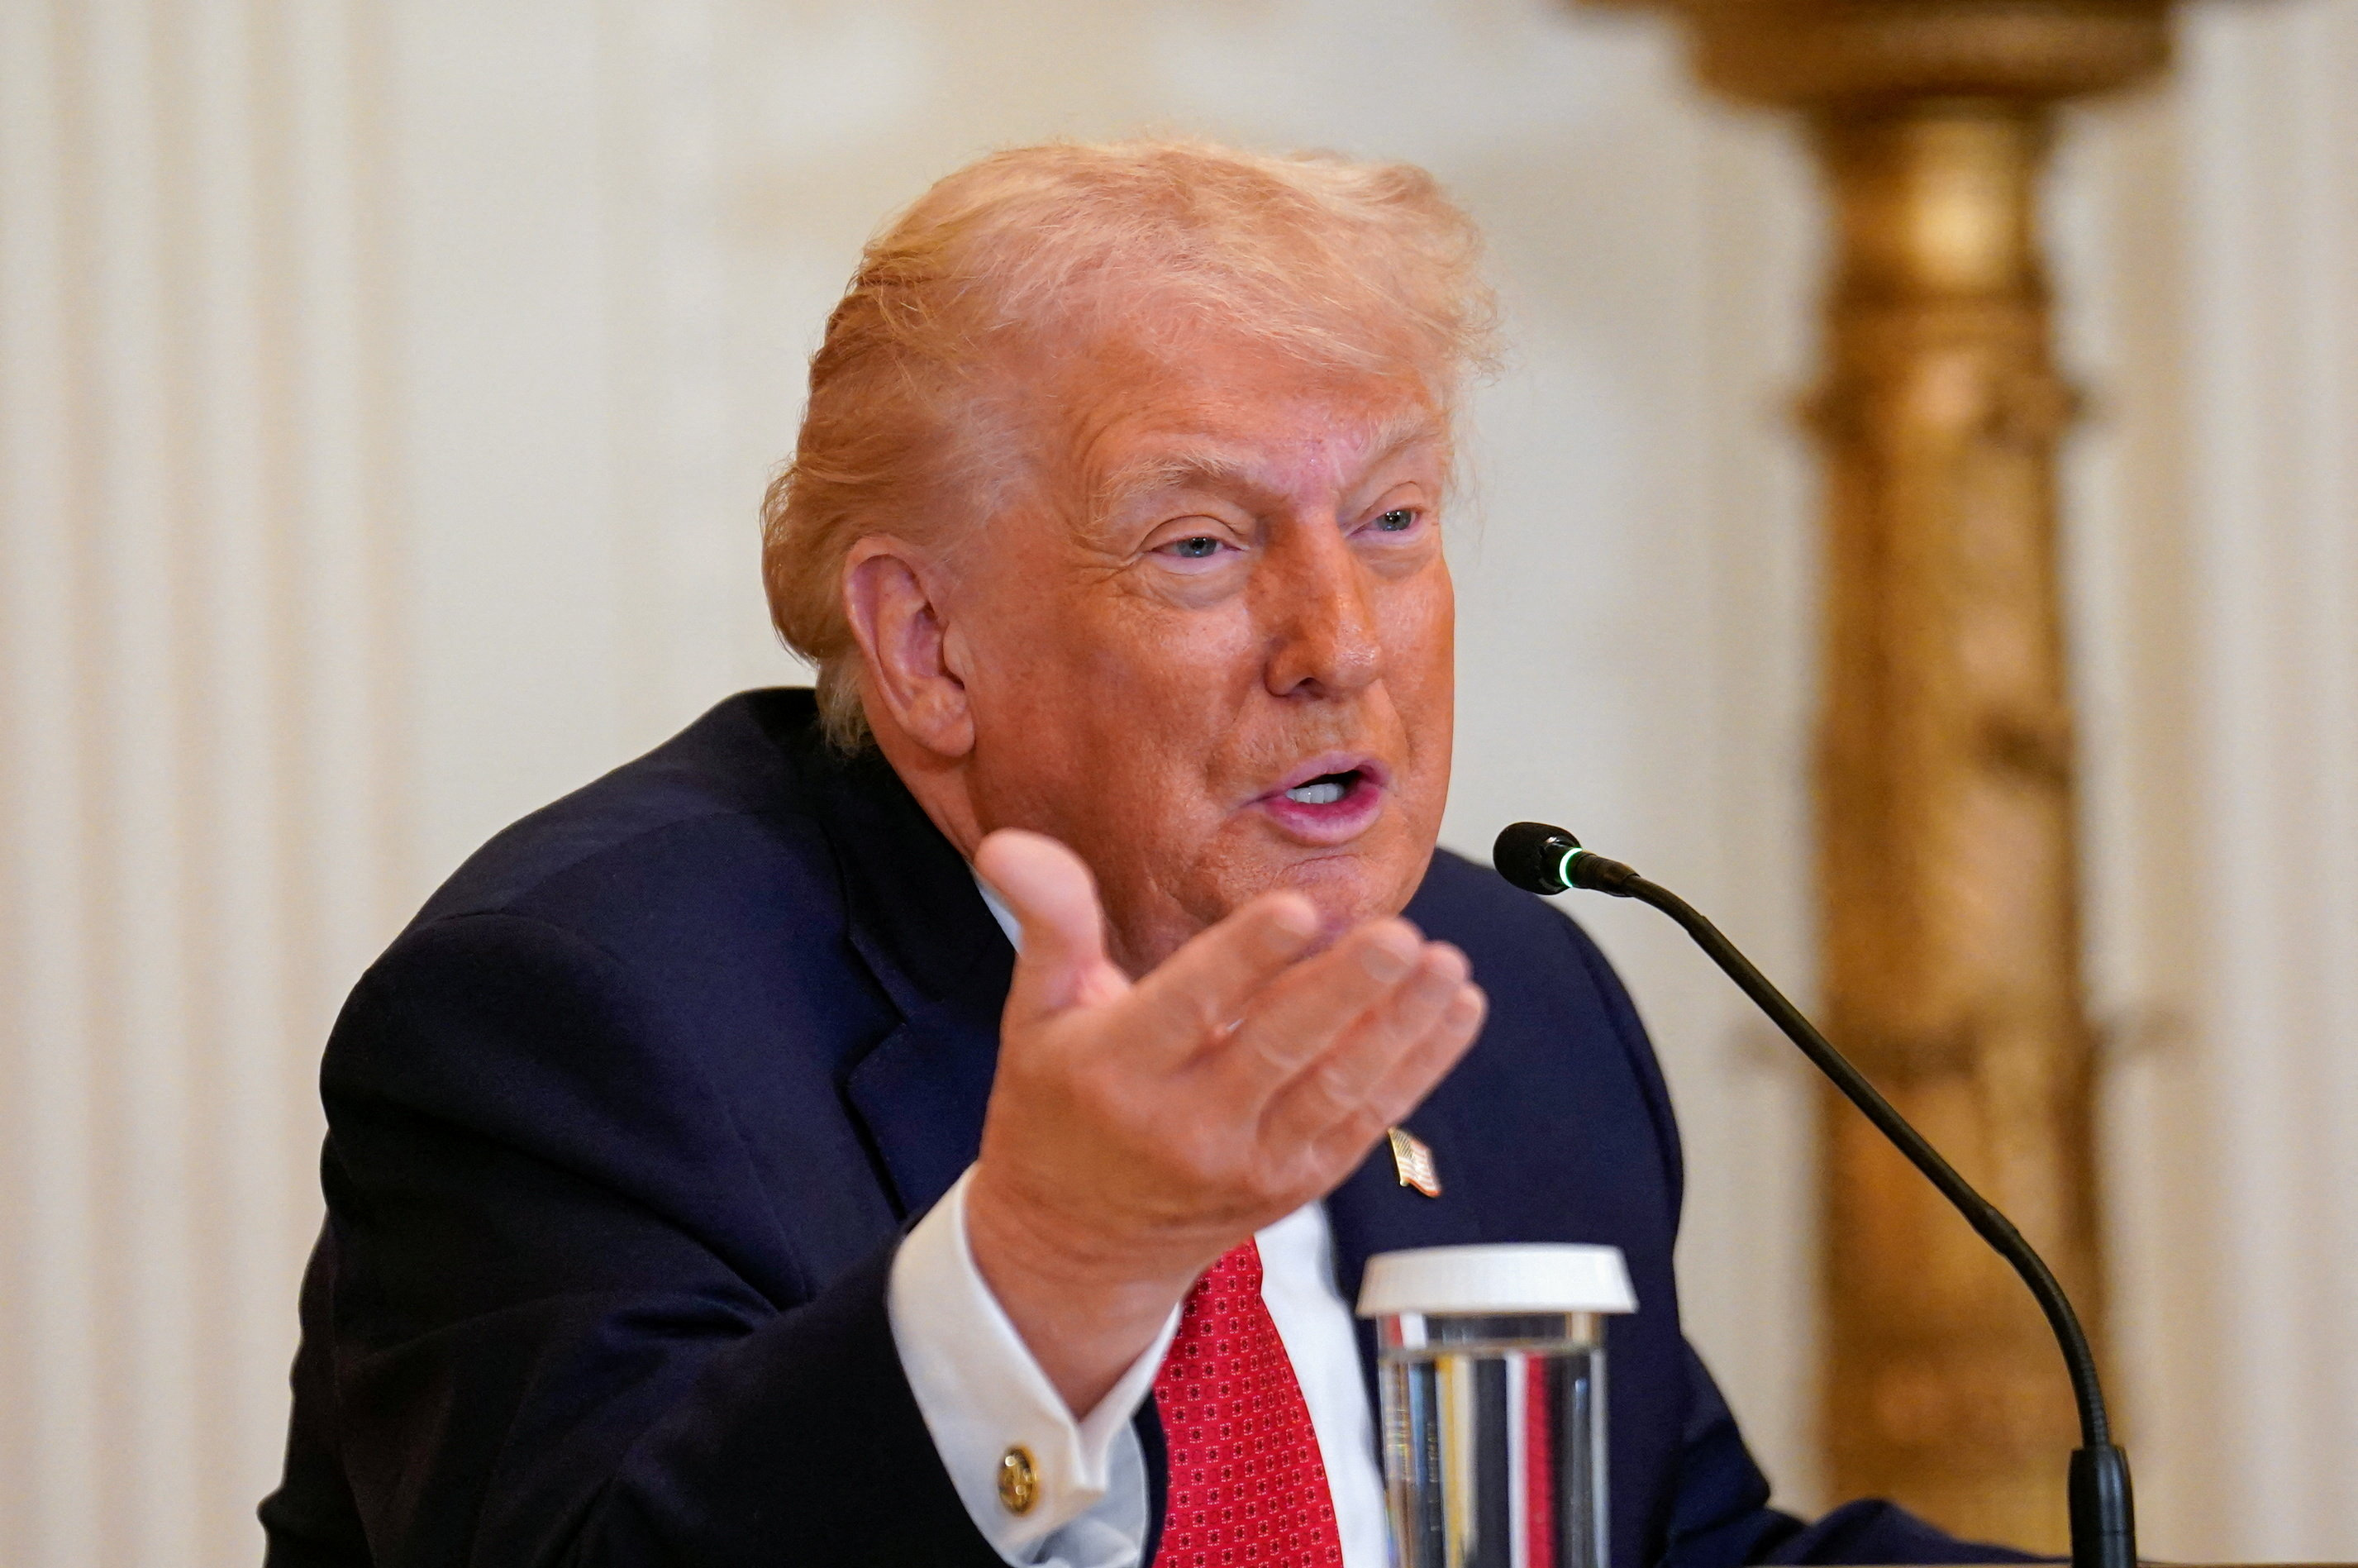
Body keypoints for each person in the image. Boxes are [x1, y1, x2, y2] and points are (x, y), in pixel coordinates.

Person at [260, 139, 2022, 1568]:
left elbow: (1660, 1541)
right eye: (1198, 543)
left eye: (1392, 520)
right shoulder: (587, 1018)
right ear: (930, 647)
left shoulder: (1503, 997)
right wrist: (1050, 1272)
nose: (1340, 639)